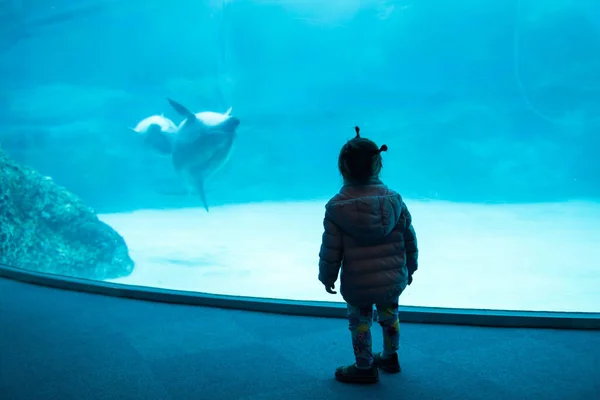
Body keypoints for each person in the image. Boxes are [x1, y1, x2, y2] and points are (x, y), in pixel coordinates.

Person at [318, 126, 418, 384]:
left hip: (357, 283)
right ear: (378, 165)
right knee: (390, 317)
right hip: (392, 277)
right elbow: (409, 238)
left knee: (360, 322)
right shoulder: (395, 200)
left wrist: (327, 276)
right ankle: (390, 356)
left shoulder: (335, 207)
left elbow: (331, 249)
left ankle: (364, 367)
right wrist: (412, 267)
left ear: (343, 168)